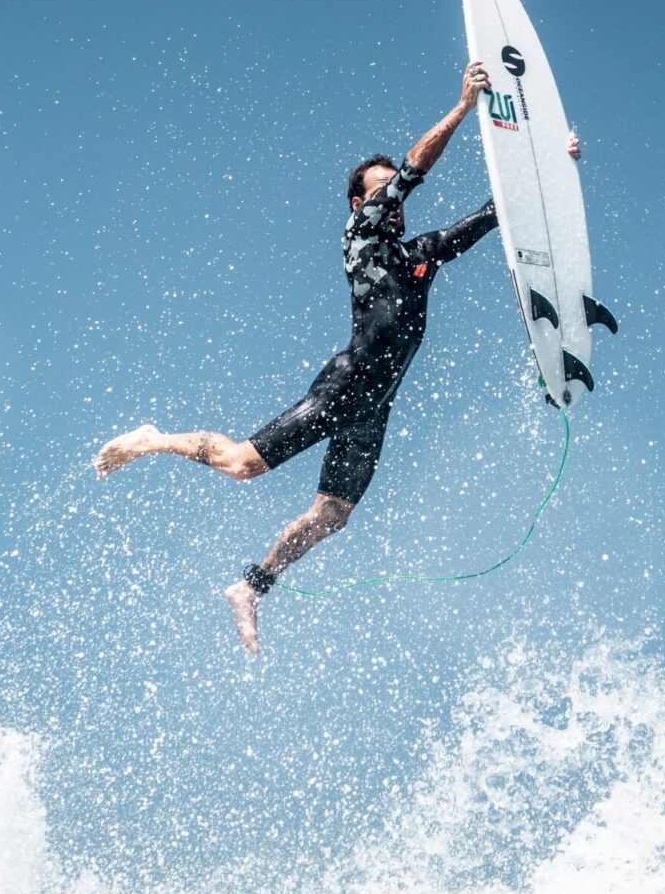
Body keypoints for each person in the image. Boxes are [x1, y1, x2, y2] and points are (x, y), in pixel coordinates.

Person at [94, 61, 581, 653]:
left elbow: (493, 213)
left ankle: (251, 587)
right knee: (242, 465)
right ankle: (151, 439)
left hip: (376, 406)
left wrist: (556, 165)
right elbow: (414, 169)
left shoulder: (417, 254)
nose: (391, 195)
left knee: (332, 516)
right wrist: (462, 108)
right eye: (380, 188)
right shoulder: (360, 237)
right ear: (359, 203)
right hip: (346, 386)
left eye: (390, 191)